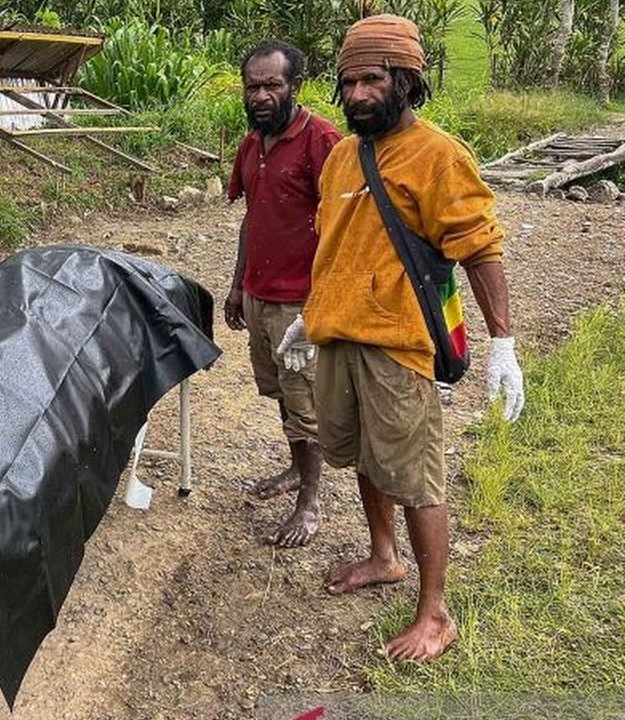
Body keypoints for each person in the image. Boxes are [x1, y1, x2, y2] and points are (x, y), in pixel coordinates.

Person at [277, 14, 525, 661]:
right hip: (340, 342)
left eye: (373, 79)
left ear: (407, 81)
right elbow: (336, 248)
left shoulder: (438, 155)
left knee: (416, 477)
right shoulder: (339, 158)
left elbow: (479, 246)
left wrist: (504, 341)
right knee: (364, 457)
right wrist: (313, 313)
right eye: (349, 81)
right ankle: (383, 556)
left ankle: (435, 614)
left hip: (398, 345)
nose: (358, 93)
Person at [226, 40, 341, 548]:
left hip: (301, 302)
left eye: (273, 85)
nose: (262, 95)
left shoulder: (322, 141)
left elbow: (344, 226)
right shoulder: (253, 145)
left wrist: (324, 302)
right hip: (259, 295)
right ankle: (296, 469)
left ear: (295, 86)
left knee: (305, 401)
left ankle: (310, 502)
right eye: (254, 86)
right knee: (278, 389)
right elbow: (254, 217)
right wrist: (237, 284)